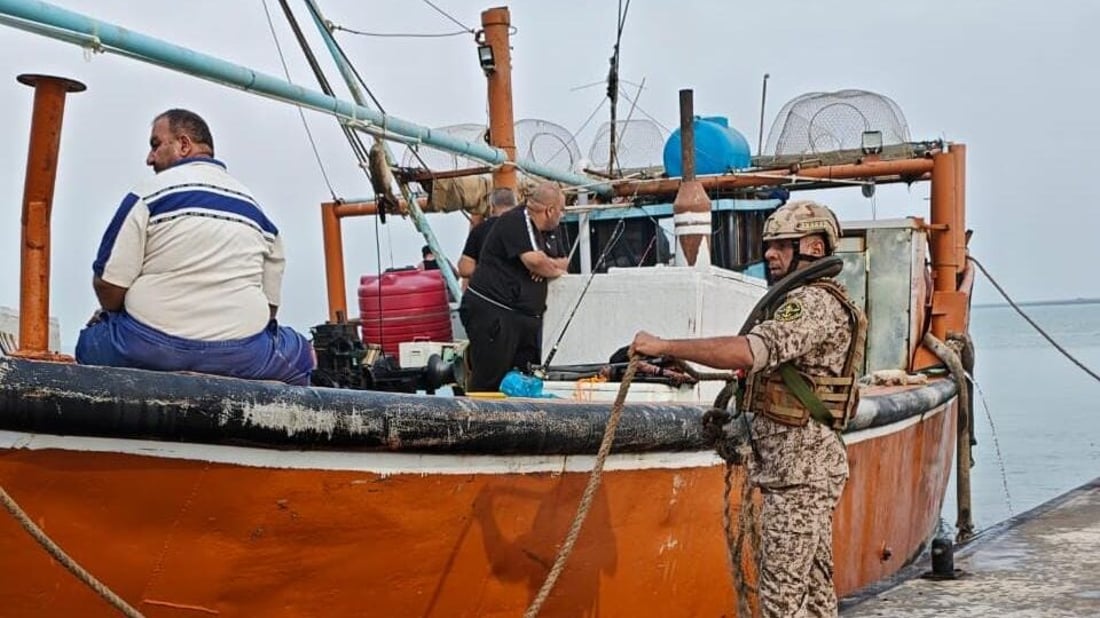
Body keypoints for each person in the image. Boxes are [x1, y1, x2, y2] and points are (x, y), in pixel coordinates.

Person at [631, 200, 866, 617]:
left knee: (781, 597)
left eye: (782, 246)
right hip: (804, 468)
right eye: (768, 246)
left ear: (812, 246)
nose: (770, 255)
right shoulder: (814, 300)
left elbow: (751, 351)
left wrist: (665, 345)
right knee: (813, 591)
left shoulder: (810, 302)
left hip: (799, 474)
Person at [75, 108, 315, 386]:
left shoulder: (147, 195)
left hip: (149, 347)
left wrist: (118, 316)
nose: (149, 158)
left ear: (184, 145)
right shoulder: (258, 213)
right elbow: (270, 307)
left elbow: (108, 285)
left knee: (89, 343)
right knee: (299, 352)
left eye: (155, 145)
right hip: (242, 354)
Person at [459, 182, 568, 392]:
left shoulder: (553, 231)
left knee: (523, 378)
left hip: (526, 318)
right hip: (496, 314)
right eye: (561, 210)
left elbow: (563, 261)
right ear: (550, 210)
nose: (562, 216)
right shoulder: (516, 220)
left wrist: (548, 265)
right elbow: (534, 261)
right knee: (490, 379)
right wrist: (550, 269)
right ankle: (481, 421)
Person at [457, 187, 518, 286]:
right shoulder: (525, 227)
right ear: (515, 205)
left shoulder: (479, 230)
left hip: (489, 292)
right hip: (519, 293)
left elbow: (465, 268)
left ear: (492, 206)